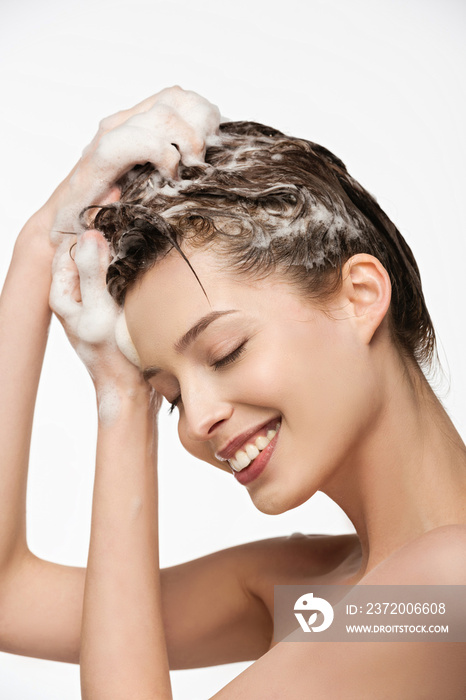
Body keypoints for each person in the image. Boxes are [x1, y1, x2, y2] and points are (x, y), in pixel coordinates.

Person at [0, 86, 465, 699]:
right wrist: (42, 241)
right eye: (170, 396)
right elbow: (10, 597)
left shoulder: (445, 589)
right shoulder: (314, 590)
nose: (197, 421)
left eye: (225, 352)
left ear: (360, 296)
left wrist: (123, 407)